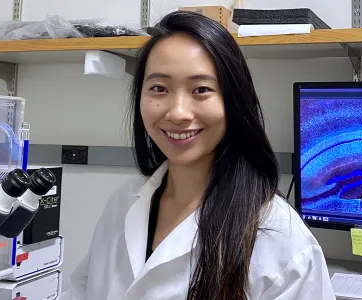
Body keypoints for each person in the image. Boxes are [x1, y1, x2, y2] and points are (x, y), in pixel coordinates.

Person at [71, 10, 335, 300]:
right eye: (159, 88)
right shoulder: (122, 204)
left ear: (233, 101)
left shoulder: (279, 236)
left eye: (201, 89)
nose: (178, 113)